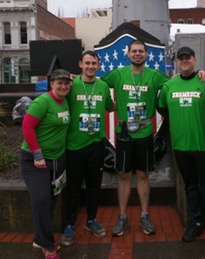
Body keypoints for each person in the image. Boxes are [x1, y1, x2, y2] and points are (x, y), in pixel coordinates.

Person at [157, 46, 205, 243]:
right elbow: (162, 108)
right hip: (181, 148)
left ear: (195, 60)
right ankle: (195, 223)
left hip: (204, 146)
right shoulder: (169, 86)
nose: (184, 61)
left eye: (188, 58)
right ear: (177, 62)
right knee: (190, 187)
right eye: (181, 58)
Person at [100, 39, 169, 236]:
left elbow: (178, 82)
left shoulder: (155, 75)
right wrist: (75, 79)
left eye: (141, 51)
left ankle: (144, 215)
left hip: (145, 134)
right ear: (128, 54)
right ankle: (122, 217)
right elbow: (96, 83)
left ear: (146, 54)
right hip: (124, 135)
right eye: (134, 51)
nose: (137, 54)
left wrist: (200, 74)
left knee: (143, 175)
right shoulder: (118, 74)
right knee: (122, 175)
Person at [60, 51, 114, 246]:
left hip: (97, 144)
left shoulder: (103, 86)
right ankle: (70, 225)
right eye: (87, 63)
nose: (91, 66)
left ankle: (91, 220)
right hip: (74, 145)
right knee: (73, 187)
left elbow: (111, 106)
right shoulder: (71, 85)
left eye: (94, 63)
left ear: (99, 66)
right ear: (80, 64)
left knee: (94, 185)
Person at [20, 69, 73, 259]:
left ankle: (38, 237)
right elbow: (27, 126)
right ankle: (48, 245)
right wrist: (37, 154)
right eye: (59, 82)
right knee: (41, 199)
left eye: (67, 83)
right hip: (35, 161)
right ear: (51, 84)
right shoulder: (43, 102)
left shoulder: (65, 101)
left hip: (56, 160)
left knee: (51, 199)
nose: (63, 86)